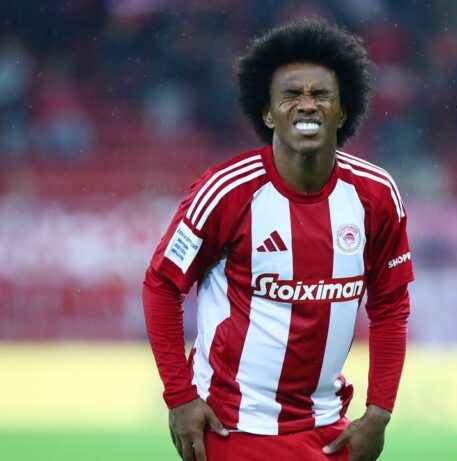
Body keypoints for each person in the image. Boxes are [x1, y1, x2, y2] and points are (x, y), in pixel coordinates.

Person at [142, 19, 414, 461]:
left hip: (329, 433)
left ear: (342, 111)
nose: (307, 105)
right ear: (267, 112)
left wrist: (379, 411)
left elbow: (390, 305)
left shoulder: (376, 195)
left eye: (321, 94)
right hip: (231, 429)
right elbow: (161, 284)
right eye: (291, 95)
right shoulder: (226, 191)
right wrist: (180, 396)